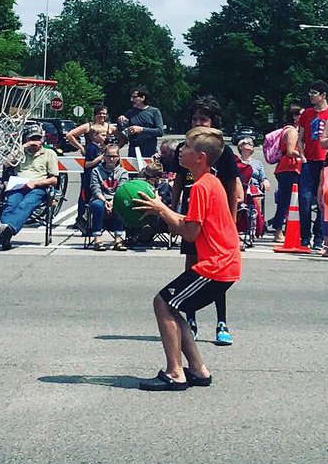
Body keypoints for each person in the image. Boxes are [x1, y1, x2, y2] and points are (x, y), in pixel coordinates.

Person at [133, 127, 241, 391]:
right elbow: (193, 224)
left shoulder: (203, 187)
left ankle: (175, 373)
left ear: (200, 157)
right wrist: (164, 209)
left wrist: (161, 210)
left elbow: (190, 233)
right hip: (221, 263)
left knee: (163, 302)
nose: (182, 150)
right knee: (170, 304)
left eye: (188, 147)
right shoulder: (207, 182)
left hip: (217, 265)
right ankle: (198, 370)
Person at [172, 96, 241, 345]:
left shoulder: (221, 152)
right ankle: (190, 319)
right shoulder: (186, 148)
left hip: (215, 218)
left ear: (213, 121)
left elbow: (232, 186)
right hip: (193, 214)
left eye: (203, 118)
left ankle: (221, 322)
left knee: (216, 271)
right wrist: (173, 209)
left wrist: (232, 221)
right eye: (195, 118)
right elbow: (179, 181)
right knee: (193, 267)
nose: (198, 122)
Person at [0, 122, 60, 250]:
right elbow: (6, 163)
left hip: (38, 186)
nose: (35, 142)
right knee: (11, 203)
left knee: (26, 204)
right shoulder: (21, 152)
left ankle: (7, 229)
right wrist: (23, 146)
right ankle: (5, 232)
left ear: (43, 139)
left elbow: (54, 180)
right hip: (19, 184)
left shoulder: (49, 153)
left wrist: (35, 183)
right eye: (32, 139)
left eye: (38, 138)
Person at [297, 81, 328, 250]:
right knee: (305, 199)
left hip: (326, 162)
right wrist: (302, 156)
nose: (311, 96)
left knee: (324, 199)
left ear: (323, 95)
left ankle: (319, 236)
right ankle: (304, 236)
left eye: (314, 93)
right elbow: (300, 138)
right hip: (309, 161)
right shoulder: (306, 114)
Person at [66, 104, 117, 229]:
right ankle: (81, 219)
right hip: (90, 163)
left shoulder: (110, 127)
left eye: (104, 113)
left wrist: (115, 150)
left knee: (105, 191)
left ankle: (103, 219)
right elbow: (70, 135)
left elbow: (122, 138)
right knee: (85, 191)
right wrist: (81, 148)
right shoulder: (88, 126)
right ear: (95, 114)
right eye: (100, 113)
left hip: (106, 166)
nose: (102, 116)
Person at [269, 104, 303, 242]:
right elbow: (290, 151)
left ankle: (282, 228)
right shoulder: (292, 131)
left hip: (287, 169)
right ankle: (278, 230)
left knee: (288, 201)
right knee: (285, 201)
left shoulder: (292, 130)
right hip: (288, 168)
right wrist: (304, 155)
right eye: (301, 114)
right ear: (294, 116)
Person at [87, 144, 129, 250]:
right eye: (109, 156)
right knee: (97, 206)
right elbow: (95, 188)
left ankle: (118, 239)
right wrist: (105, 201)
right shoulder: (96, 171)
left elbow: (121, 190)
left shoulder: (122, 172)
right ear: (104, 156)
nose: (111, 159)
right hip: (100, 198)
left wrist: (113, 202)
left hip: (116, 198)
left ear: (118, 157)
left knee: (121, 205)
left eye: (114, 156)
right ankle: (97, 238)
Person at [117, 86, 164, 161]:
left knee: (150, 172)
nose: (131, 100)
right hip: (133, 151)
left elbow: (160, 131)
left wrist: (141, 129)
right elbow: (122, 131)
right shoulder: (130, 113)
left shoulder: (154, 111)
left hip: (150, 151)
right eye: (131, 97)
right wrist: (120, 122)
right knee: (133, 172)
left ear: (143, 98)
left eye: (135, 97)